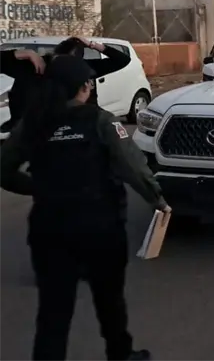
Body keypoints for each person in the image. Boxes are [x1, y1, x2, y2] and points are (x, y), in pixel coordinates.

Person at [0, 54, 168, 361]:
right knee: (110, 302)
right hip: (100, 229)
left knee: (53, 312)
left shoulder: (33, 123)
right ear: (84, 87)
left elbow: (3, 168)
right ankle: (121, 355)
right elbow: (132, 166)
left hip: (49, 229)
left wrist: (38, 188)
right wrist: (157, 199)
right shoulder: (100, 120)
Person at [0, 36, 132, 131]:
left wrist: (93, 44)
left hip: (79, 126)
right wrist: (24, 53)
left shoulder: (84, 68)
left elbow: (123, 60)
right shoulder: (33, 66)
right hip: (35, 130)